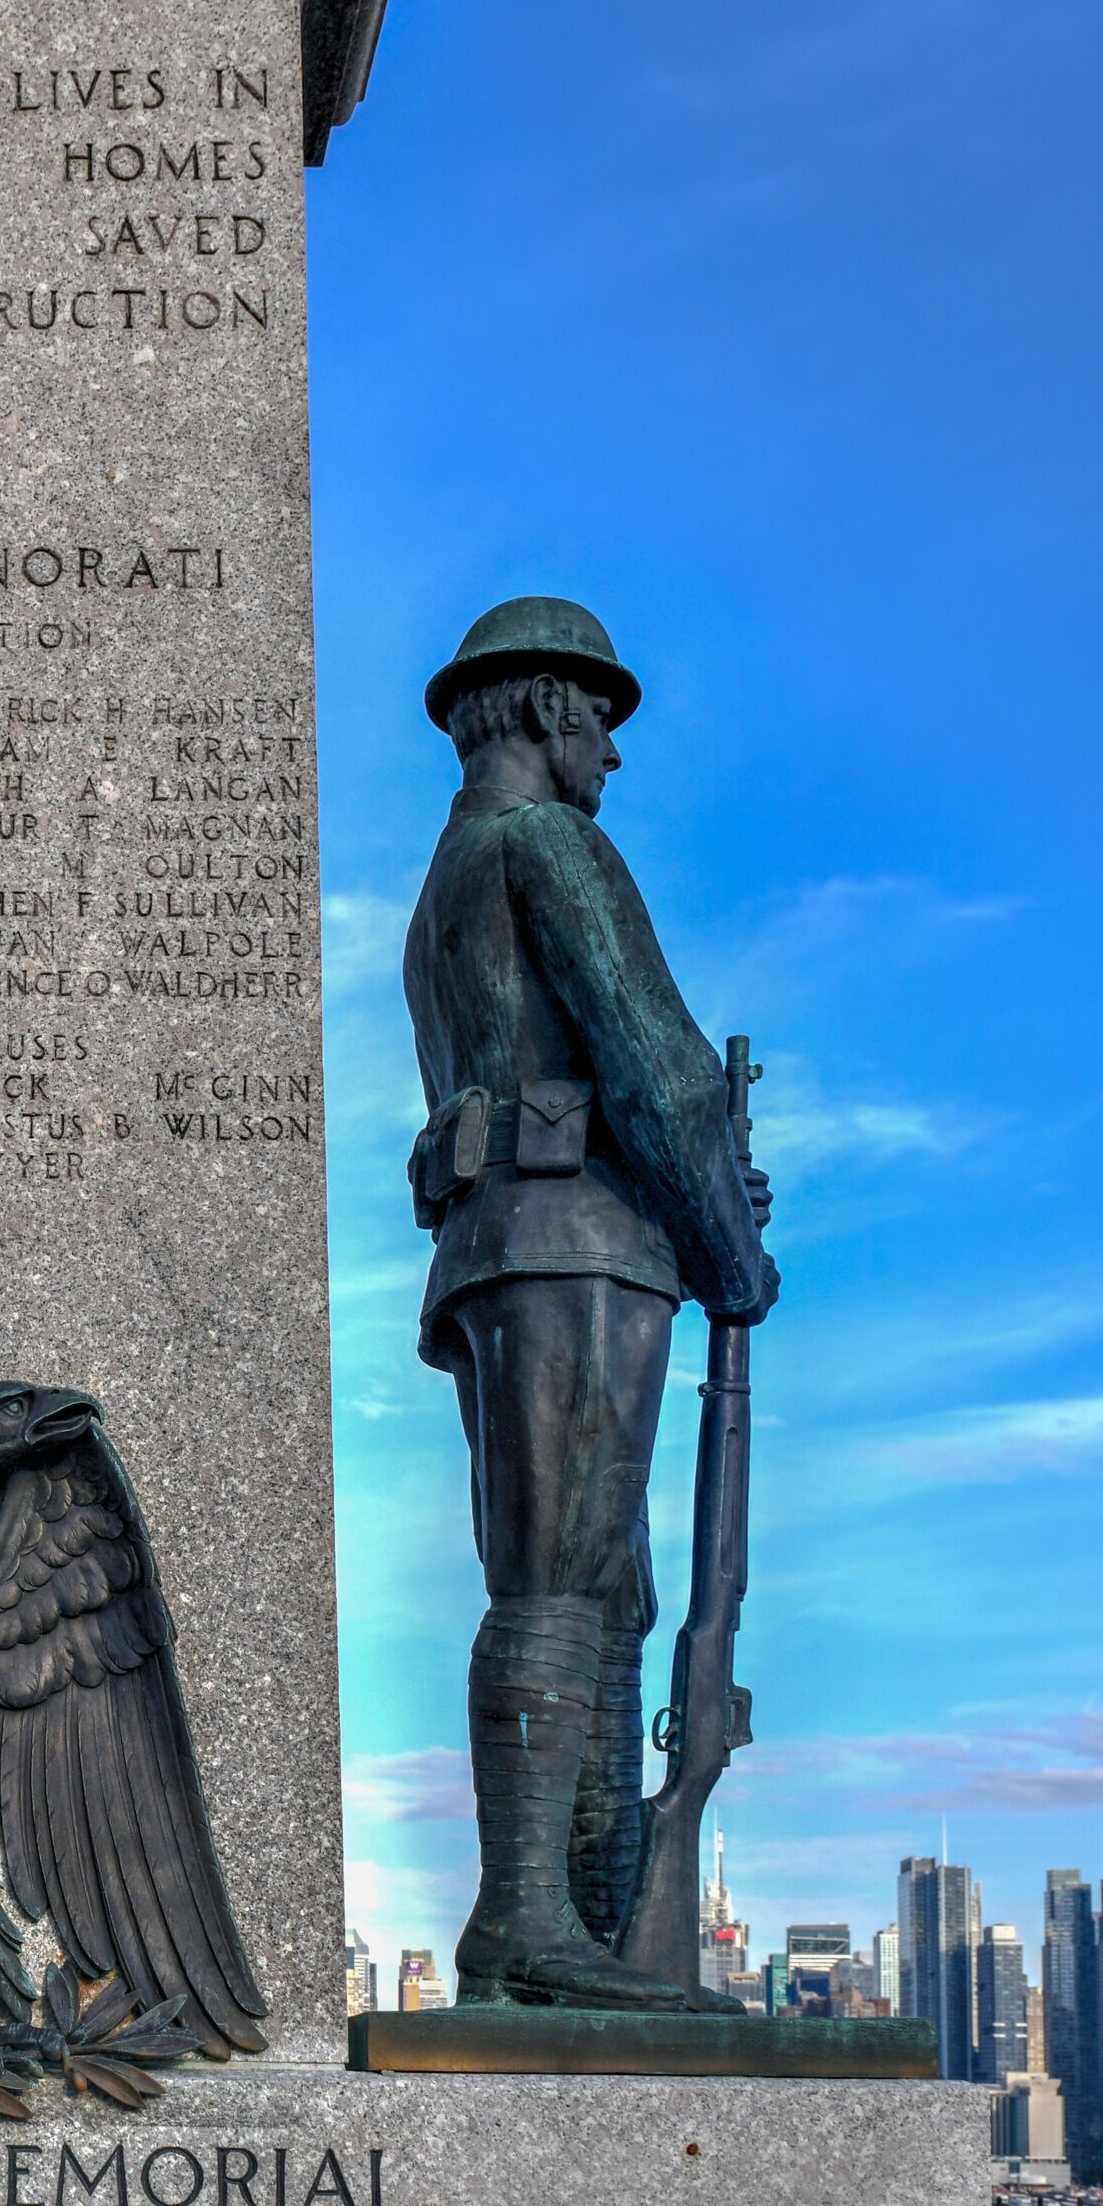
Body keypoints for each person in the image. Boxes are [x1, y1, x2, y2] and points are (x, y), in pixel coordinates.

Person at [401, 596, 773, 2011]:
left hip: (515, 1244)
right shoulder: (554, 846)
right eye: (602, 722)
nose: (612, 753)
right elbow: (658, 1072)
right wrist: (732, 1245)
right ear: (553, 707)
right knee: (564, 1576)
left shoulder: (443, 884)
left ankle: (601, 1919)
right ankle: (527, 1919)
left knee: (603, 1584)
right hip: (574, 1246)